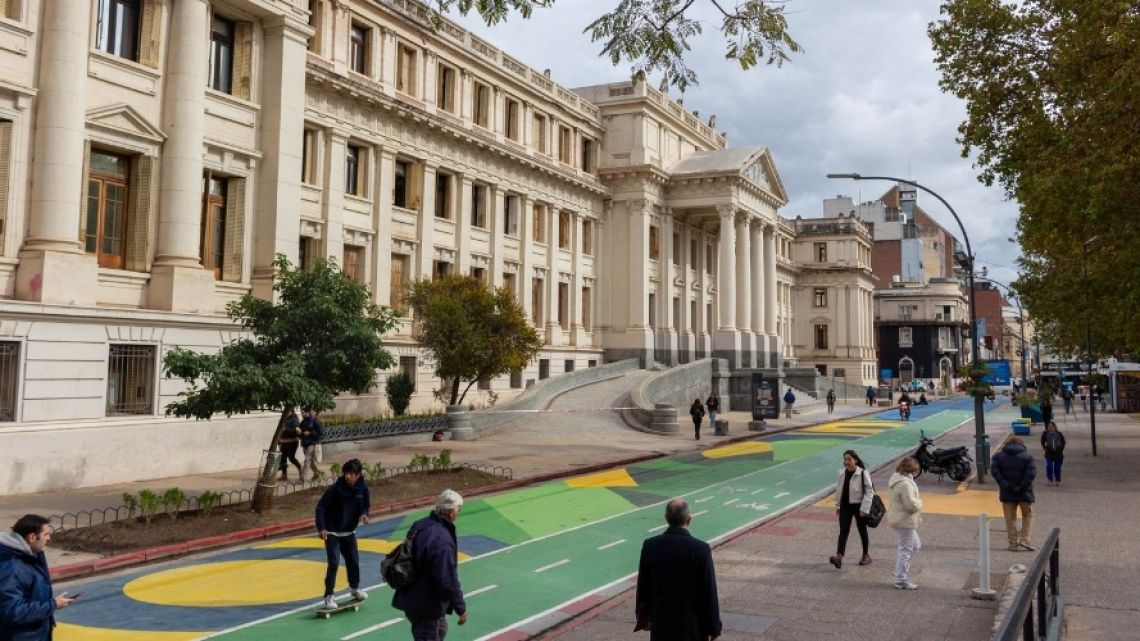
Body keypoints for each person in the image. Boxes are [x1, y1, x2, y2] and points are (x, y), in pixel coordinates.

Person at [634, 498, 721, 641]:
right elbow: (709, 590)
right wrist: (714, 627)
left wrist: (643, 617)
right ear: (689, 519)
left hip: (662, 625)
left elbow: (643, 586)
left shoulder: (650, 546)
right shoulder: (700, 549)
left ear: (666, 518)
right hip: (692, 626)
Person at [393, 490, 468, 641]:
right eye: (458, 510)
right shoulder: (441, 540)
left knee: (440, 627)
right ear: (452, 512)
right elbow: (447, 579)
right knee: (429, 633)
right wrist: (460, 608)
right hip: (426, 603)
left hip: (411, 595)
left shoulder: (420, 524)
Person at [0, 514, 76, 641]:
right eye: (46, 534)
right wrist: (52, 605)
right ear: (32, 537)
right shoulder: (11, 568)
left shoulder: (32, 555)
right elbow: (13, 612)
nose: (49, 538)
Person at [315, 458, 371, 609]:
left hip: (349, 531)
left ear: (358, 475)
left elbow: (365, 505)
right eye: (346, 473)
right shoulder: (335, 489)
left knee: (353, 561)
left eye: (351, 474)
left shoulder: (362, 488)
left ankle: (355, 588)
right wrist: (321, 528)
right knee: (334, 563)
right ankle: (329, 596)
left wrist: (364, 514)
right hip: (332, 531)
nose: (348, 476)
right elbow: (321, 507)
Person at [829, 450, 874, 569]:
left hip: (859, 507)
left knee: (862, 530)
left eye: (849, 459)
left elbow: (869, 491)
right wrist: (838, 506)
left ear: (855, 460)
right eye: (845, 459)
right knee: (843, 531)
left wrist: (864, 509)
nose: (846, 462)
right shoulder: (841, 473)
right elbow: (839, 490)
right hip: (845, 506)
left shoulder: (863, 473)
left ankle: (866, 555)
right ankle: (839, 557)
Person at [991, 435, 1037, 551]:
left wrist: (1005, 485)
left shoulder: (998, 457)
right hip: (1024, 493)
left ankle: (1013, 543)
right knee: (1027, 515)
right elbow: (1031, 474)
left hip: (1007, 492)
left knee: (1010, 518)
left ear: (1008, 443)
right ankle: (1025, 539)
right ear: (1021, 444)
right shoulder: (1028, 457)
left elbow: (995, 472)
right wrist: (1022, 486)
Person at [887, 457, 924, 590]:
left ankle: (899, 572)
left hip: (900, 518)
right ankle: (901, 579)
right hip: (904, 520)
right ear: (911, 470)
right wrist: (920, 503)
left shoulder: (897, 479)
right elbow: (911, 505)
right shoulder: (905, 484)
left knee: (915, 546)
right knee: (906, 549)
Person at [300, 407, 325, 482]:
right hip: (305, 443)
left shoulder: (314, 420)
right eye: (301, 413)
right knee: (310, 461)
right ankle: (317, 474)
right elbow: (301, 432)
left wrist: (310, 433)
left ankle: (303, 478)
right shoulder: (303, 422)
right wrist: (299, 432)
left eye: (303, 413)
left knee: (307, 460)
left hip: (312, 443)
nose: (302, 414)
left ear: (307, 412)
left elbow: (321, 432)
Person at [278, 407, 303, 481]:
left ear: (291, 411)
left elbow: (296, 428)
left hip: (292, 442)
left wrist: (293, 429)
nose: (285, 413)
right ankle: (284, 475)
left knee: (291, 458)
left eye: (287, 411)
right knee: (283, 458)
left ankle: (300, 469)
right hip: (284, 442)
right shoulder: (285, 418)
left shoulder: (294, 418)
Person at [1041, 421, 1066, 486]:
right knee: (1049, 466)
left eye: (1052, 426)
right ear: (1047, 428)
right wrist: (1045, 448)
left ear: (1055, 427)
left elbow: (1063, 442)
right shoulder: (1045, 434)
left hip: (1058, 453)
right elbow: (1042, 441)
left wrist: (1060, 449)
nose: (1051, 428)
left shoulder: (1059, 434)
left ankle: (1057, 480)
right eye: (1049, 427)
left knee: (1057, 468)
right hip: (1049, 453)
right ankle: (1050, 479)